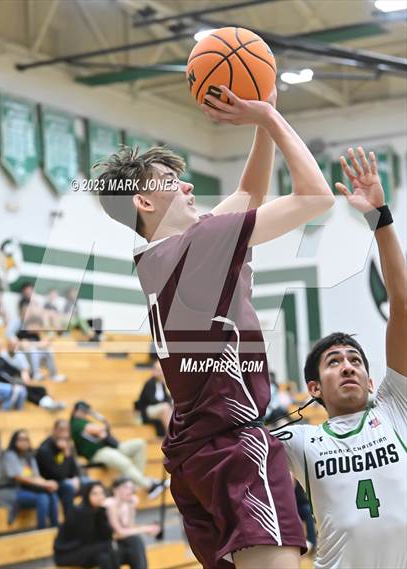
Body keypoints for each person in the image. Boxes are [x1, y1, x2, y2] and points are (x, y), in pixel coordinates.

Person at [98, 85, 335, 568]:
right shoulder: (197, 245)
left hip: (194, 454)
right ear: (143, 201)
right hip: (233, 446)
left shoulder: (159, 255)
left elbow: (249, 194)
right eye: (170, 180)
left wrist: (263, 126)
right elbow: (316, 196)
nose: (186, 186)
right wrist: (268, 118)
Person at [276, 147, 406, 569]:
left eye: (355, 360)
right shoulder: (299, 441)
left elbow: (401, 305)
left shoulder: (395, 408)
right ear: (313, 389)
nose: (348, 365)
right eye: (333, 362)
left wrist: (380, 217)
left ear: (372, 381)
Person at [70, 401, 165, 499]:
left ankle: (136, 484)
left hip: (111, 447)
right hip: (97, 454)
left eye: (85, 411)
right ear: (75, 411)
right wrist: (97, 417)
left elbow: (102, 431)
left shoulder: (86, 421)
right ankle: (149, 486)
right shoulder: (75, 423)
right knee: (124, 462)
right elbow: (98, 430)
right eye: (82, 411)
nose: (84, 413)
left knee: (139, 444)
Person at [0, 429, 59, 529]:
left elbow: (36, 476)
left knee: (51, 494)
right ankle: (41, 529)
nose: (24, 442)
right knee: (42, 497)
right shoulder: (9, 456)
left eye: (26, 439)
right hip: (9, 491)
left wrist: (49, 483)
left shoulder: (29, 457)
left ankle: (55, 527)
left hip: (24, 490)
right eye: (20, 439)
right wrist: (45, 484)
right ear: (14, 441)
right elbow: (19, 478)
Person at [54, 481, 119, 569]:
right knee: (108, 547)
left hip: (87, 551)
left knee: (105, 558)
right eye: (94, 494)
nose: (99, 497)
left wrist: (103, 512)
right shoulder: (78, 512)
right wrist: (108, 544)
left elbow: (107, 536)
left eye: (101, 493)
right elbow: (86, 540)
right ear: (87, 495)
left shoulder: (100, 511)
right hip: (67, 554)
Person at [105, 478, 160, 569]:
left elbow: (129, 528)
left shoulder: (125, 505)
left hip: (117, 545)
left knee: (135, 542)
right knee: (135, 541)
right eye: (126, 487)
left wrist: (131, 508)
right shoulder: (109, 504)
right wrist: (145, 529)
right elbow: (119, 533)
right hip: (105, 546)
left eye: (131, 488)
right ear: (115, 489)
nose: (130, 491)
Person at [1, 336, 66, 411]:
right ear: (7, 345)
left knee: (41, 389)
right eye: (11, 345)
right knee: (25, 391)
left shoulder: (19, 355)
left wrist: (25, 375)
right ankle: (47, 405)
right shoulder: (2, 355)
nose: (13, 347)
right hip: (9, 380)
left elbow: (25, 368)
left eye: (15, 345)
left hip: (19, 380)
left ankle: (49, 404)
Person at [36, 419, 84, 516]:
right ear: (54, 430)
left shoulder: (68, 445)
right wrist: (65, 455)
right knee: (68, 488)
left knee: (90, 484)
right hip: (49, 482)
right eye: (61, 430)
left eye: (66, 431)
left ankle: (84, 519)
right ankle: (69, 520)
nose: (64, 434)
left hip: (64, 479)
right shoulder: (45, 449)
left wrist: (76, 478)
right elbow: (58, 474)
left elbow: (74, 470)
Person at [16, 316, 66, 382]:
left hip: (35, 358)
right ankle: (36, 374)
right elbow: (24, 345)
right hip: (24, 361)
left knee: (48, 350)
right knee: (33, 350)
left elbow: (41, 345)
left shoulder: (35, 335)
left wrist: (50, 339)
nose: (38, 328)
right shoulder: (21, 333)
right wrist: (38, 345)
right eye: (37, 326)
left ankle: (53, 375)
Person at [0, 337, 27, 410]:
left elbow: (13, 370)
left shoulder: (1, 359)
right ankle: (3, 412)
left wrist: (23, 372)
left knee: (22, 391)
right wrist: (7, 378)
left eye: (0, 347)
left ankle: (17, 414)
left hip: (3, 384)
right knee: (14, 390)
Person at [135, 359, 172, 436]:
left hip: (161, 409)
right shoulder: (149, 383)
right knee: (165, 408)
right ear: (154, 371)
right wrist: (166, 404)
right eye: (159, 370)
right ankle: (171, 436)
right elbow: (152, 400)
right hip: (149, 410)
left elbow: (168, 398)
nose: (161, 373)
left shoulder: (163, 383)